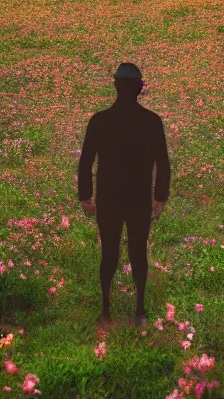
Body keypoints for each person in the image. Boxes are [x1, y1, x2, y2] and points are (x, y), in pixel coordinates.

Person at [77, 62, 170, 329]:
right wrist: (160, 196)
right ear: (139, 88)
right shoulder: (151, 121)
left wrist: (86, 195)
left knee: (109, 252)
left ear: (116, 86)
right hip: (139, 197)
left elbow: (86, 162)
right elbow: (162, 162)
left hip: (109, 197)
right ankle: (139, 312)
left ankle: (106, 313)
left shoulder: (100, 120)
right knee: (138, 252)